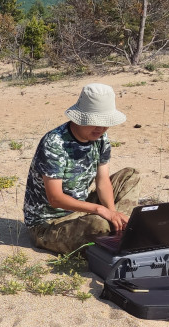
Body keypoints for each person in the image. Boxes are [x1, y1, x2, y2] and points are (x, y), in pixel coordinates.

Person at [23, 83, 140, 255]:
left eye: (105, 123)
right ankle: (118, 231)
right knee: (99, 224)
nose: (101, 128)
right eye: (95, 122)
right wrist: (100, 210)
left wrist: (112, 212)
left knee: (130, 176)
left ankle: (119, 226)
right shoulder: (54, 143)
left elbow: (102, 181)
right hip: (49, 223)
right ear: (81, 118)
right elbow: (55, 198)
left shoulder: (101, 138)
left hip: (81, 209)